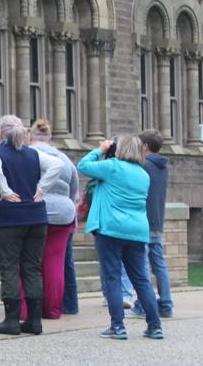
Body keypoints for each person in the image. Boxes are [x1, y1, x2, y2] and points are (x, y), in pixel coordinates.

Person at [78, 136, 164, 340]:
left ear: (121, 149)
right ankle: (155, 326)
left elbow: (83, 165)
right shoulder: (143, 174)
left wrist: (100, 149)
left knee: (112, 277)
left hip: (111, 229)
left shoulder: (112, 167)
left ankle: (117, 326)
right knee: (141, 279)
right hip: (137, 231)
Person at [0, 114, 63, 336]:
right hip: (36, 218)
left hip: (9, 219)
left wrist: (5, 191)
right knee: (32, 268)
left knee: (9, 267)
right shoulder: (33, 154)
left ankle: (11, 320)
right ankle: (34, 321)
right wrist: (42, 188)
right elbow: (57, 164)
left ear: (1, 132)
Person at [25, 118, 78, 320]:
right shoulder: (65, 159)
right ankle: (53, 310)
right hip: (63, 214)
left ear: (30, 136)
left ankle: (30, 308)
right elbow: (73, 191)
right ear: (50, 137)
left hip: (35, 212)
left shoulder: (27, 155)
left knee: (30, 262)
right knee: (55, 262)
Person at [130, 129, 173, 319]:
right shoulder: (163, 166)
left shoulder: (144, 165)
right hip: (157, 221)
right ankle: (166, 304)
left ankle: (143, 305)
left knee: (142, 267)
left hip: (143, 222)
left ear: (145, 145)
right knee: (159, 265)